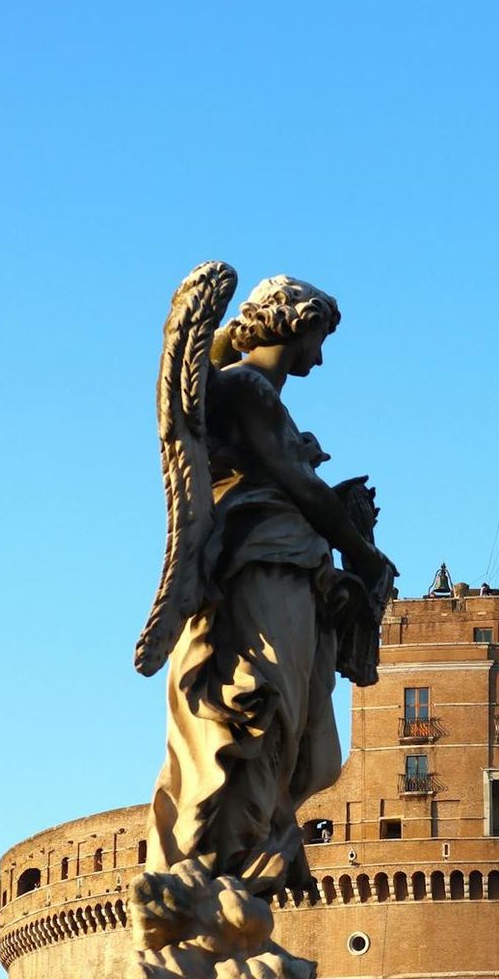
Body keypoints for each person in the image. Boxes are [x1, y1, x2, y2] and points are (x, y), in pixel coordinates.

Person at [143, 269, 393, 900]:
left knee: (290, 723)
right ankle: (222, 863)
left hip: (290, 570)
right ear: (294, 322)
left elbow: (294, 487)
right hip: (261, 570)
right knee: (261, 707)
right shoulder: (247, 389)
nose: (321, 354)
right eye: (319, 336)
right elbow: (299, 488)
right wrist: (363, 551)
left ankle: (244, 856)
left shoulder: (259, 395)